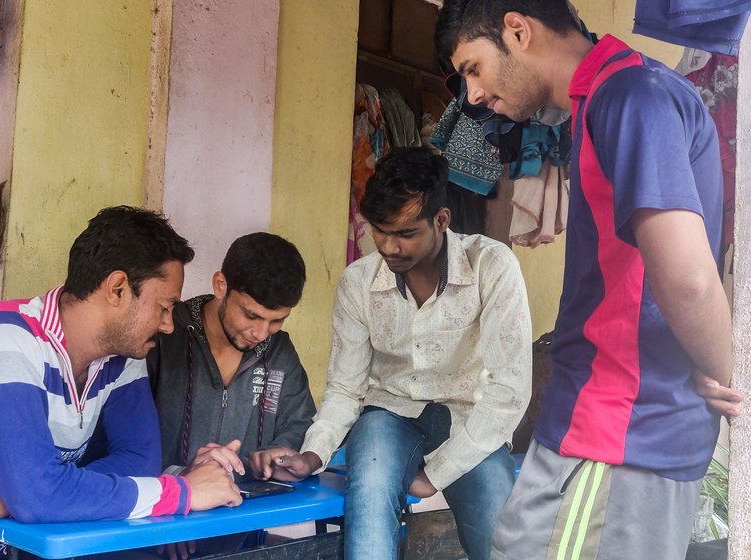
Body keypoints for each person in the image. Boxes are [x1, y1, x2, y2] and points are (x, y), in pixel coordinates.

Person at [435, 2, 742, 559]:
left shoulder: (632, 96)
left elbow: (690, 280)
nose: (473, 95)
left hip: (617, 434)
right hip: (603, 429)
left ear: (518, 30)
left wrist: (725, 373)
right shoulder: (607, 99)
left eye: (473, 68)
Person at [0, 206, 242, 560]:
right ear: (117, 289)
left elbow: (138, 464)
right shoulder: (3, 338)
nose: (168, 325)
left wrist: (27, 493)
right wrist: (184, 492)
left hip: (16, 544)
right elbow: (37, 497)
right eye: (163, 307)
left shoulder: (123, 359)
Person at [269, 147, 533, 560]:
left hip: (470, 420)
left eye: (405, 233)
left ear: (441, 220)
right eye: (379, 230)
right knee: (370, 495)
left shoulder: (492, 266)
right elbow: (346, 388)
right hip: (389, 414)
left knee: (500, 541)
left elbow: (510, 392)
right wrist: (314, 452)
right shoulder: (358, 282)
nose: (389, 246)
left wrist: (434, 476)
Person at [141, 232, 317, 559]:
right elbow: (123, 440)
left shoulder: (279, 353)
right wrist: (178, 497)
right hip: (151, 528)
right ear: (221, 285)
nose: (261, 334)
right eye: (251, 315)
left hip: (240, 532)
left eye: (276, 320)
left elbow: (302, 424)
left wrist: (284, 455)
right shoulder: (167, 336)